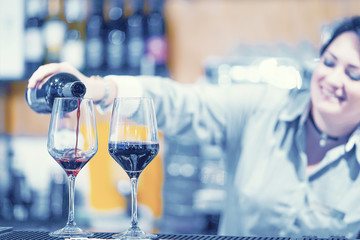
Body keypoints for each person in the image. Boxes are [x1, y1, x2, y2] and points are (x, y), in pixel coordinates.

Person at [27, 16, 360, 238]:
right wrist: (97, 88)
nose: (333, 79)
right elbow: (178, 102)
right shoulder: (263, 109)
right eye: (329, 63)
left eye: (353, 73)